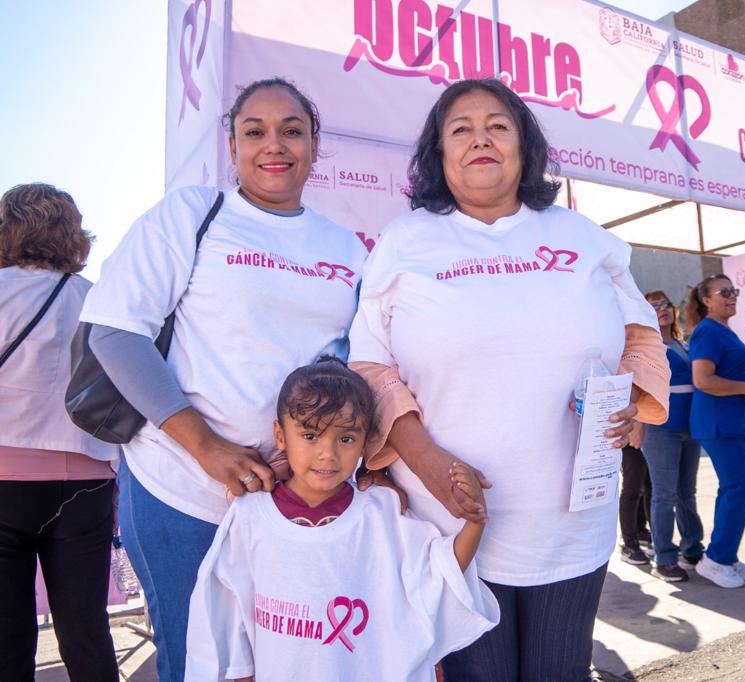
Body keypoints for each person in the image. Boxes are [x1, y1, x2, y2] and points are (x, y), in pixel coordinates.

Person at [348, 78, 669, 680]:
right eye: (460, 129)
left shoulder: (580, 236)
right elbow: (370, 367)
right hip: (452, 522)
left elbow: (640, 334)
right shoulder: (404, 242)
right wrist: (425, 460)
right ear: (438, 154)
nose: (480, 140)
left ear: (524, 145)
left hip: (571, 519)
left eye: (498, 125)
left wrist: (628, 403)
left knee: (560, 671)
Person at [79, 78, 370, 679]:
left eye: (292, 131)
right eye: (255, 131)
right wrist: (206, 446)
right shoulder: (193, 214)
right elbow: (114, 331)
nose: (275, 145)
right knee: (198, 665)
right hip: (179, 488)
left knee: (287, 662)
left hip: (289, 499)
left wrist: (312, 454)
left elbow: (347, 365)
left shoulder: (346, 249)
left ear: (314, 144)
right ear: (232, 144)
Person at [184, 357, 499, 681]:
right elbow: (229, 609)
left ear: (365, 441)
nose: (327, 454)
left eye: (346, 439)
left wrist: (475, 518)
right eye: (310, 435)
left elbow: (439, 574)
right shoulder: (251, 516)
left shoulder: (380, 513)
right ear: (280, 436)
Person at [0, 184, 120, 681]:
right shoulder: (98, 301)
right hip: (86, 480)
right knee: (86, 632)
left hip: (4, 482)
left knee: (6, 641)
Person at [685, 275, 745, 589]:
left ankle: (725, 556)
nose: (732, 296)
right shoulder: (707, 331)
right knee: (740, 486)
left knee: (732, 488)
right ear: (706, 300)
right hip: (716, 421)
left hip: (728, 421)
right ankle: (716, 560)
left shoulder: (722, 330)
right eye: (725, 292)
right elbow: (703, 380)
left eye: (734, 291)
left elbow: (725, 375)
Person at [633, 290, 705, 582]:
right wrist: (638, 422)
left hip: (692, 425)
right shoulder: (644, 346)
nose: (661, 309)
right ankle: (663, 556)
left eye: (665, 304)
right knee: (664, 494)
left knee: (687, 491)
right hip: (661, 427)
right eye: (653, 306)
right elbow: (636, 384)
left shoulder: (683, 342)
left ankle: (692, 548)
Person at [618, 438, 654, 565]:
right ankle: (629, 545)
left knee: (648, 487)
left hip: (647, 436)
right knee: (632, 489)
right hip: (629, 438)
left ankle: (640, 531)